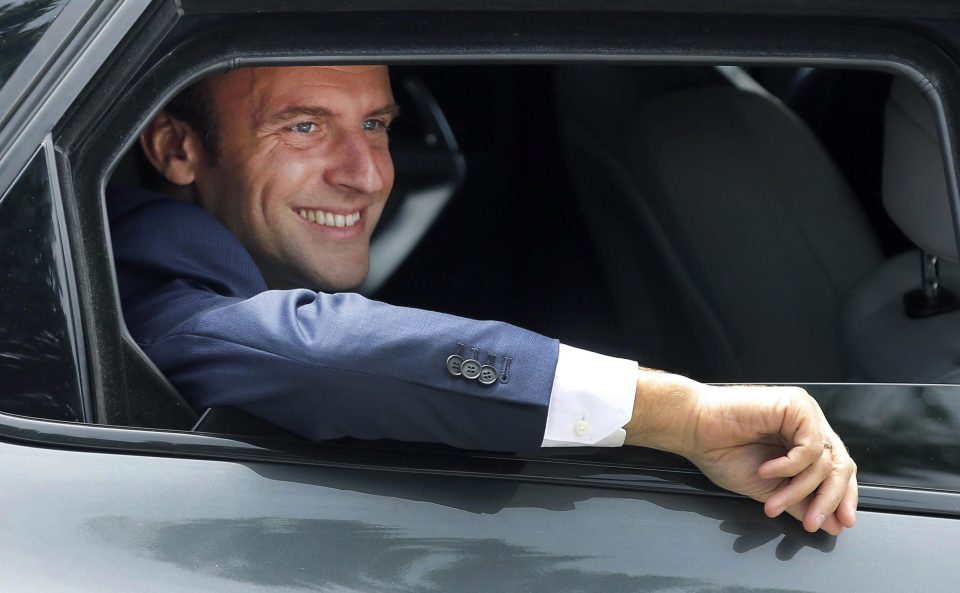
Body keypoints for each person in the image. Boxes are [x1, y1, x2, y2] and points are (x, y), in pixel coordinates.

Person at [108, 65, 857, 536]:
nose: (366, 174)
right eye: (305, 127)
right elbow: (313, 347)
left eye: (375, 125)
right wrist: (681, 415)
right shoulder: (150, 273)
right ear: (178, 149)